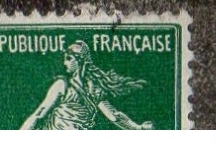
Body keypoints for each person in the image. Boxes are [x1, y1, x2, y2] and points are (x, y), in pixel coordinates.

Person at [20, 41, 151, 130]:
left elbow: (114, 116)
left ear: (80, 61)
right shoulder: (62, 85)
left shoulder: (92, 90)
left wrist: (138, 128)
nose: (64, 63)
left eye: (69, 58)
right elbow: (39, 114)